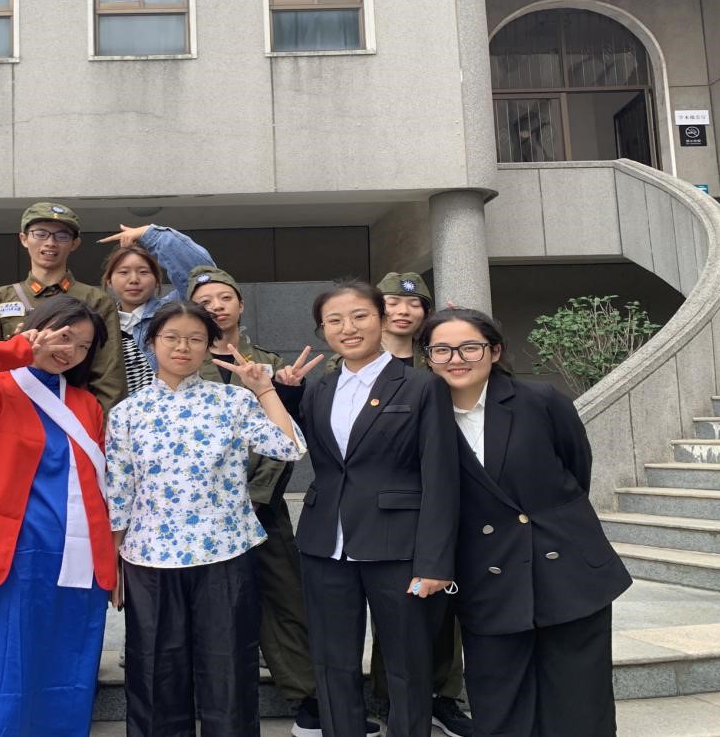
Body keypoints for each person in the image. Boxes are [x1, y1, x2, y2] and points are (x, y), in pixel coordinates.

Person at [418, 308, 632, 737]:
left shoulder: (540, 400)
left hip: (567, 569)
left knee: (578, 702)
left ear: (494, 351)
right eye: (441, 350)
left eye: (470, 347)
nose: (456, 359)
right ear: (427, 357)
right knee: (500, 702)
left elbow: (576, 471)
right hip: (487, 575)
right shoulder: (424, 415)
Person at [108, 300, 307, 737]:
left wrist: (264, 390)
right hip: (149, 558)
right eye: (172, 338)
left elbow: (290, 447)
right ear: (151, 342)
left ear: (208, 346)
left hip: (225, 553)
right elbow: (120, 493)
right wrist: (114, 565)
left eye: (195, 339)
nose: (183, 347)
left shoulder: (233, 401)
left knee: (229, 667)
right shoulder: (127, 413)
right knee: (155, 671)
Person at [0, 296, 116, 737]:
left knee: (64, 663)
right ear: (37, 329)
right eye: (64, 337)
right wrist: (18, 350)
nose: (70, 352)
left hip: (71, 558)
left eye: (83, 347)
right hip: (4, 556)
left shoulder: (86, 404)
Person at [295, 280, 458, 737]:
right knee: (332, 662)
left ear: (382, 320)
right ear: (323, 330)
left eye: (359, 316)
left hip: (398, 545)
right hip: (325, 545)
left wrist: (434, 561)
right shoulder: (320, 389)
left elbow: (441, 477)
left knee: (407, 663)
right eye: (334, 320)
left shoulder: (422, 385)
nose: (348, 328)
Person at [187, 266, 326, 736]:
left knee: (285, 598)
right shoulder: (185, 364)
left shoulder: (269, 364)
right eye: (205, 302)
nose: (217, 307)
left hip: (262, 508)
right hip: (200, 516)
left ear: (241, 304)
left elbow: (284, 437)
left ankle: (308, 698)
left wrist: (254, 497)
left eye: (225, 298)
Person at [369, 272, 473, 737]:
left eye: (414, 304)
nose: (403, 311)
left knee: (444, 600)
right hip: (386, 506)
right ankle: (389, 696)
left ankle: (442, 695)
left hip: (447, 489)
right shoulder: (352, 363)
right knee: (392, 608)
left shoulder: (440, 361)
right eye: (392, 302)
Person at [0, 202, 126, 410]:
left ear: (74, 243)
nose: (50, 243)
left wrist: (103, 425)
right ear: (24, 239)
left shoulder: (96, 300)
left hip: (74, 415)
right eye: (40, 234)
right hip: (13, 410)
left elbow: (109, 374)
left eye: (62, 236)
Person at [97, 223, 214, 391]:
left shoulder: (173, 310)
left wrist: (150, 234)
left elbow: (204, 275)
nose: (134, 280)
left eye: (143, 272)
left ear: (157, 281)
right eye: (123, 272)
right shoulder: (100, 323)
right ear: (109, 281)